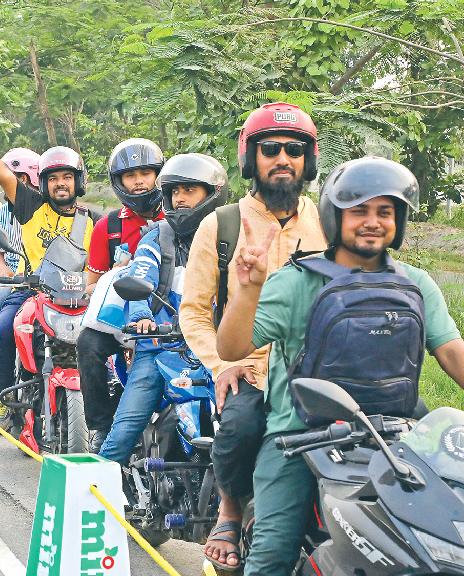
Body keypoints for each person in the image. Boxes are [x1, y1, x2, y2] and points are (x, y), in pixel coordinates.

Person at [216, 156, 464, 575]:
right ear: (335, 217)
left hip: (394, 435)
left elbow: (452, 352)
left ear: (399, 221)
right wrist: (248, 290)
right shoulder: (296, 282)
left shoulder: (416, 283)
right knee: (272, 554)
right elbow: (232, 346)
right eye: (359, 211)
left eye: (385, 212)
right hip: (299, 437)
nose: (373, 222)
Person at [178, 102, 328, 570]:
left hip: (316, 367)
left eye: (294, 149)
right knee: (241, 422)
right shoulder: (221, 225)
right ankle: (229, 510)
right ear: (251, 158)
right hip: (248, 363)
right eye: (270, 149)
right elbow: (195, 310)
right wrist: (222, 364)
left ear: (308, 160)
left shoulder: (329, 222)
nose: (283, 158)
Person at [0, 105, 95, 426]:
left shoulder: (93, 221)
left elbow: (103, 265)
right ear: (43, 183)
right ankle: (6, 397)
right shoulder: (31, 206)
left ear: (78, 182)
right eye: (53, 178)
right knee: (5, 329)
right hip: (33, 293)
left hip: (80, 299)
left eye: (67, 177)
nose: (60, 183)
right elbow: (2, 173)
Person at [97, 153, 229, 466]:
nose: (180, 198)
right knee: (122, 433)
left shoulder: (229, 238)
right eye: (174, 192)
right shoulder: (157, 237)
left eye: (189, 190)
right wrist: (141, 316)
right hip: (160, 346)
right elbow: (140, 275)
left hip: (218, 351)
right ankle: (94, 495)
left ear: (212, 194)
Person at [77, 138, 166, 452]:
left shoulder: (176, 219)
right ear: (119, 182)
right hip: (121, 322)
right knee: (87, 344)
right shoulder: (108, 227)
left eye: (145, 172)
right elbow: (92, 281)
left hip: (170, 319)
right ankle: (99, 426)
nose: (139, 181)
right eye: (130, 175)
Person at [0, 149, 35, 322]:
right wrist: (5, 272)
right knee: (1, 295)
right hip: (13, 279)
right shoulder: (3, 212)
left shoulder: (44, 209)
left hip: (42, 278)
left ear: (24, 178)